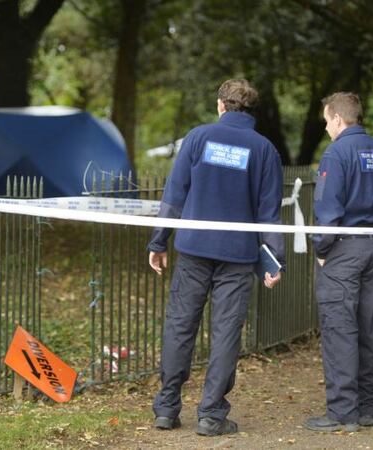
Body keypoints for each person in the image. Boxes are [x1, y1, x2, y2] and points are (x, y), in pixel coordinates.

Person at [147, 78, 285, 436]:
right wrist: (273, 261)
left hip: (193, 249)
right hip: (237, 256)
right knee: (226, 333)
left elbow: (174, 193)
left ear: (222, 105)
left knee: (180, 326)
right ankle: (211, 415)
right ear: (250, 110)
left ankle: (166, 408)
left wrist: (159, 242)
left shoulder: (198, 138)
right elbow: (269, 211)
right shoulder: (265, 149)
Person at [306, 92, 373, 432]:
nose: (327, 129)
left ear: (336, 118)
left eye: (327, 122)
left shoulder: (337, 153)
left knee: (339, 329)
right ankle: (364, 407)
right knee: (367, 327)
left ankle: (341, 413)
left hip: (345, 251)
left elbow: (328, 209)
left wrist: (321, 250)